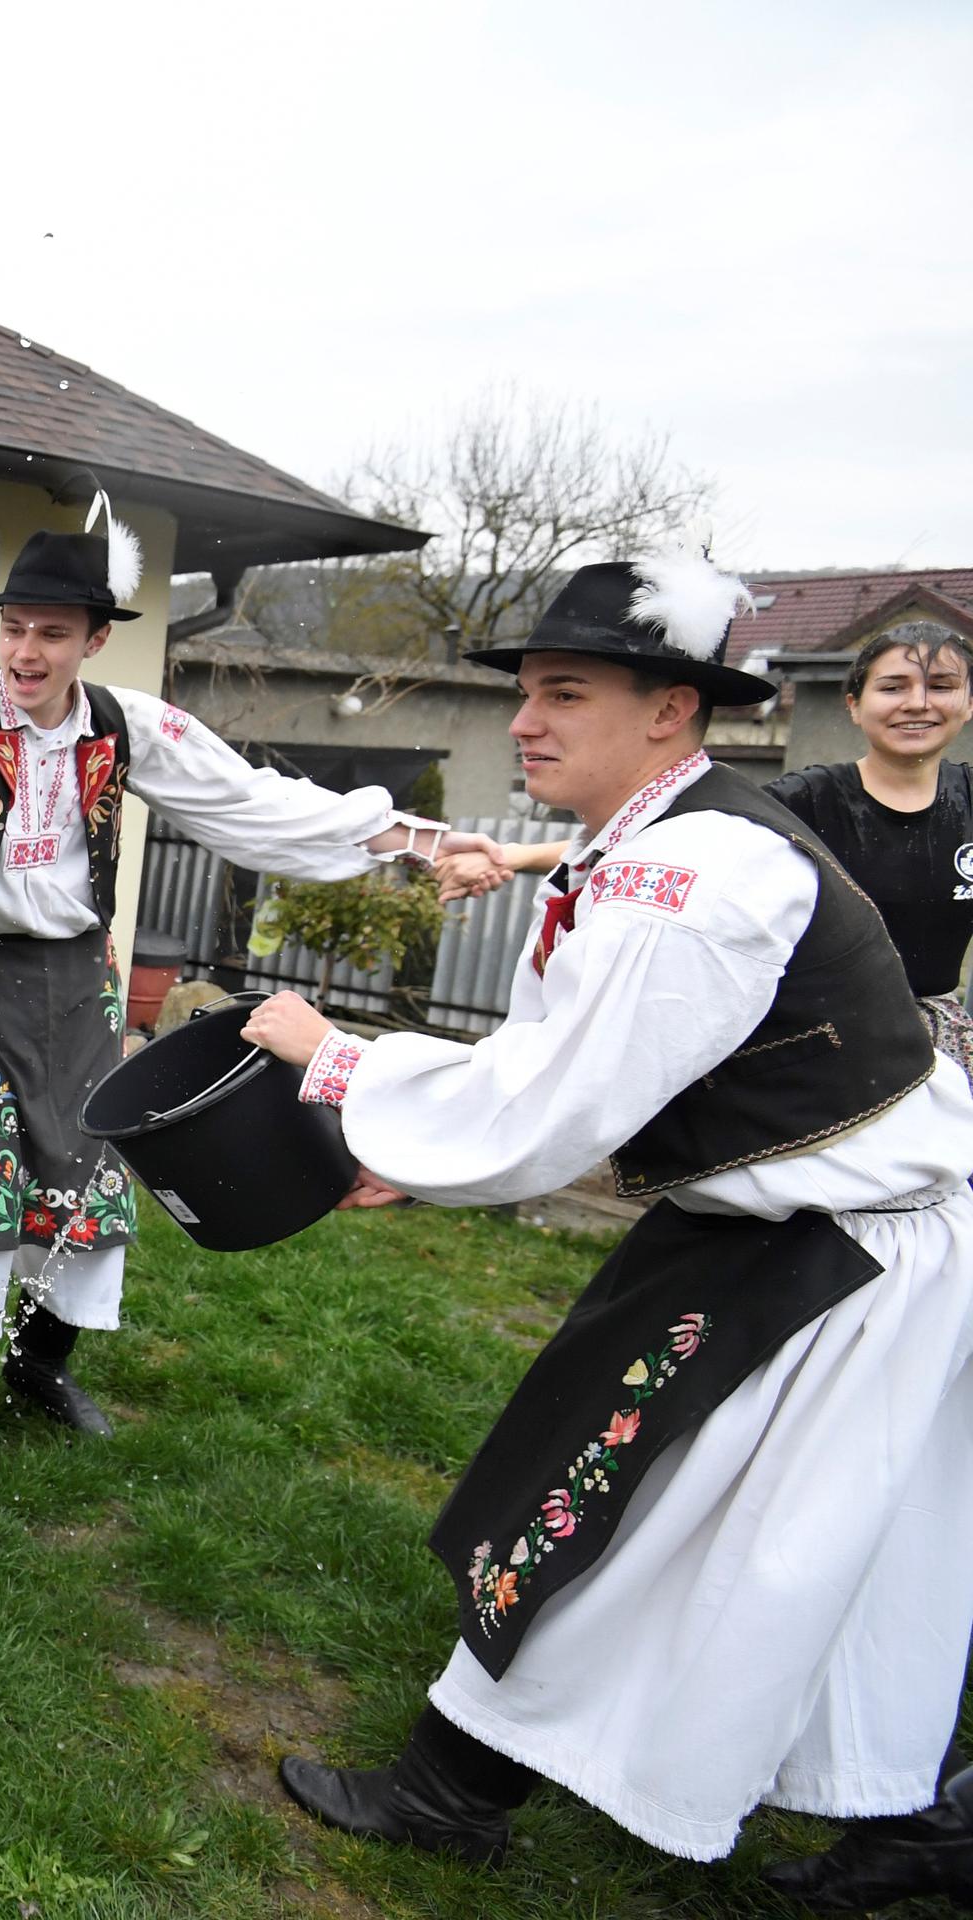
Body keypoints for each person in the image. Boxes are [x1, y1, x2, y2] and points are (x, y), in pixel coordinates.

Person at [243, 557, 973, 1883]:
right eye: (525, 692)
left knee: (635, 1518)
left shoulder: (695, 877)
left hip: (840, 1261)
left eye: (564, 693)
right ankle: (904, 1819)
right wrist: (426, 1148)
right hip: (809, 1238)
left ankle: (455, 1795)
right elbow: (576, 1068)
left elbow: (541, 1105)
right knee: (781, 1541)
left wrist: (336, 1062)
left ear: (669, 710)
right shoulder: (661, 841)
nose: (527, 721)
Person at [0, 501, 484, 1513]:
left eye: (52, 633)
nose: (27, 651)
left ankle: (38, 1365)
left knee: (88, 1186)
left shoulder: (129, 725)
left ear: (95, 639)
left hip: (78, 986)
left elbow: (253, 802)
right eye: (15, 626)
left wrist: (421, 844)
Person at [439, 623, 973, 1074]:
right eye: (894, 687)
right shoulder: (806, 801)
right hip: (831, 1046)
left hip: (944, 1043)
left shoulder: (968, 796)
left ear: (968, 702)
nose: (918, 704)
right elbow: (665, 843)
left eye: (942, 686)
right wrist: (513, 855)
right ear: (854, 705)